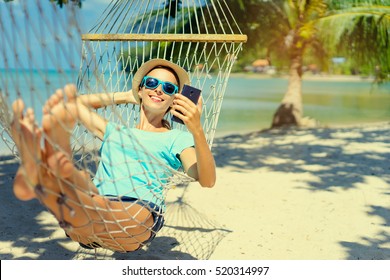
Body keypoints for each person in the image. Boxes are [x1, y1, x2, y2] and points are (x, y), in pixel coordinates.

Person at [10, 59, 216, 252]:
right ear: (141, 89)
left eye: (169, 88)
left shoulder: (177, 138)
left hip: (139, 215)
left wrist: (197, 130)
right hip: (94, 221)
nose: (159, 89)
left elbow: (206, 180)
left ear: (174, 100)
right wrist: (126, 96)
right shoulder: (114, 131)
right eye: (152, 83)